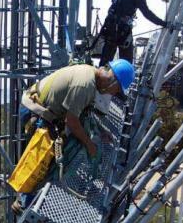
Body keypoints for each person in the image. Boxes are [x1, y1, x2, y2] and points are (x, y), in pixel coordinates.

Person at [11, 59, 135, 211]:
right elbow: (72, 121)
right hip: (36, 111)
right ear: (112, 82)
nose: (114, 93)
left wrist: (102, 131)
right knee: (42, 157)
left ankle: (31, 197)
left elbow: (85, 112)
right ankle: (24, 202)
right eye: (117, 90)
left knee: (55, 151)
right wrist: (89, 144)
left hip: (45, 108)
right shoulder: (84, 85)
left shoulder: (91, 75)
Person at [87, 0, 168, 66]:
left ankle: (101, 77)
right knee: (126, 62)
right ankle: (120, 79)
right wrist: (163, 23)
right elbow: (146, 13)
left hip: (111, 27)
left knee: (106, 60)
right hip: (121, 30)